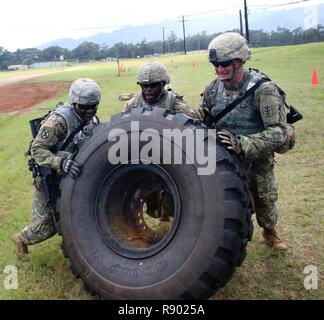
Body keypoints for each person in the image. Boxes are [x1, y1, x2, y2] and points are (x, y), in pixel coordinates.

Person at [197, 32, 289, 251]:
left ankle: (269, 231)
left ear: (240, 62)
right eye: (215, 64)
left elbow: (278, 133)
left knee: (264, 200)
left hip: (256, 162)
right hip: (225, 162)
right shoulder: (212, 89)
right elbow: (206, 117)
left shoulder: (263, 90)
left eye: (225, 64)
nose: (219, 70)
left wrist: (243, 143)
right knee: (225, 204)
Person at [12, 78, 101, 260]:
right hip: (52, 176)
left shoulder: (92, 119)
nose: (90, 111)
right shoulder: (59, 121)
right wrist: (61, 163)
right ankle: (21, 239)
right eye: (84, 107)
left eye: (93, 106)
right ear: (74, 102)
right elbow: (37, 149)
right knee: (48, 224)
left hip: (75, 176)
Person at [123, 61, 196, 118]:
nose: (148, 89)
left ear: (163, 85)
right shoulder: (132, 105)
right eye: (145, 86)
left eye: (153, 85)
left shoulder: (177, 106)